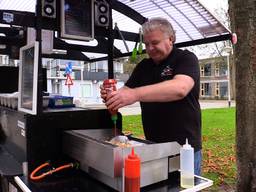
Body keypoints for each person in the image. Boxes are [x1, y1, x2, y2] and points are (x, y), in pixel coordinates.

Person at [100, 17, 202, 175]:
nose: (150, 48)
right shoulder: (143, 66)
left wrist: (135, 94)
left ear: (171, 39)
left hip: (184, 147)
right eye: (147, 44)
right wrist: (112, 95)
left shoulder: (185, 58)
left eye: (155, 43)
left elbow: (180, 88)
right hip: (154, 146)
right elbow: (125, 92)